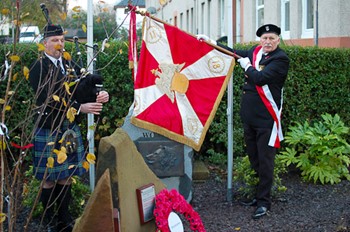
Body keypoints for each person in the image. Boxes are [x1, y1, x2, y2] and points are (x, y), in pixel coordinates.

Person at [198, 24, 290, 219]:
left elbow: (260, 78)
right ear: (260, 40)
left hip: (266, 119)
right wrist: (212, 43)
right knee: (255, 159)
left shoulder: (280, 59)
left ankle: (264, 203)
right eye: (264, 38)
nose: (267, 42)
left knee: (265, 163)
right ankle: (258, 196)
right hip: (249, 118)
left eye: (271, 38)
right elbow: (234, 53)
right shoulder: (255, 52)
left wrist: (247, 66)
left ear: (278, 40)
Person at [29, 24, 109, 231]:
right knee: (48, 178)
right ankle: (50, 221)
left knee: (65, 174)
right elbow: (48, 97)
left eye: (62, 40)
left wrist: (99, 93)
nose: (60, 44)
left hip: (67, 128)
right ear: (44, 43)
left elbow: (82, 86)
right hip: (48, 127)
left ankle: (65, 219)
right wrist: (79, 107)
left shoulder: (68, 63)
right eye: (55, 41)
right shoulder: (38, 67)